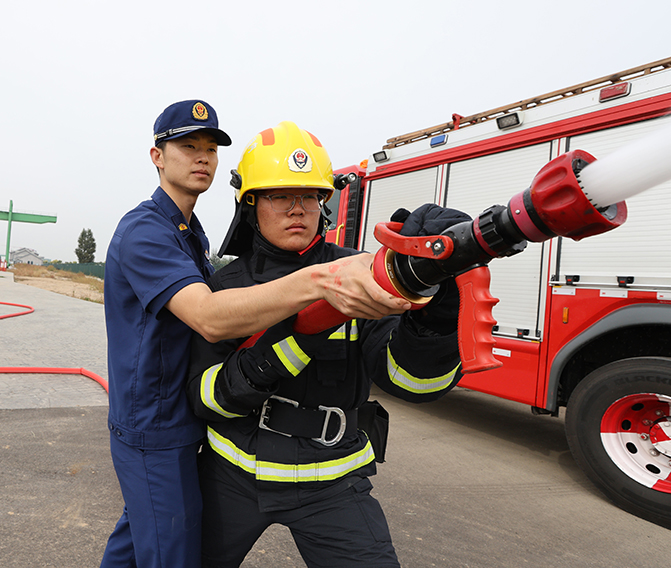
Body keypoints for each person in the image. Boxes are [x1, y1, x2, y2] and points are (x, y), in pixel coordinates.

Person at [100, 103, 411, 568]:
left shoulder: (188, 233)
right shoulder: (146, 231)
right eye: (188, 146)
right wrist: (320, 282)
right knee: (171, 552)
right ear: (157, 156)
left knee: (138, 538)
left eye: (210, 149)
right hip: (155, 423)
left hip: (193, 426)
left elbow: (406, 369)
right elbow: (208, 318)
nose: (202, 157)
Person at [186, 121, 470, 568]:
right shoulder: (225, 289)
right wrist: (285, 344)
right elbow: (206, 399)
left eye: (310, 196)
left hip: (333, 481)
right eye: (280, 195)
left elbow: (412, 382)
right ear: (250, 204)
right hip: (232, 475)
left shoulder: (360, 274)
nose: (297, 209)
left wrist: (437, 306)